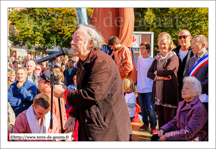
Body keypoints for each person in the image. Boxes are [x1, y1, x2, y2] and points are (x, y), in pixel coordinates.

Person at [53, 24, 132, 141]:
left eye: (77, 39)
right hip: (92, 126)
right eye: (72, 38)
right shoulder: (83, 62)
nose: (71, 42)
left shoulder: (102, 62)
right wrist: (73, 115)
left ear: (90, 43)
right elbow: (81, 92)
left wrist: (65, 94)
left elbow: (93, 94)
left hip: (107, 131)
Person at [152, 76, 208, 141]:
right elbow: (175, 121)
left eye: (187, 88)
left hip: (190, 139)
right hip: (180, 134)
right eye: (183, 88)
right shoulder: (182, 103)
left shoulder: (199, 108)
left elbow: (188, 133)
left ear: (196, 93)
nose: (183, 90)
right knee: (155, 137)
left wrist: (167, 136)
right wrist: (163, 129)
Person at [147, 32, 179, 128]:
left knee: (167, 118)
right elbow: (149, 73)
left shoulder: (173, 57)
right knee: (160, 118)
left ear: (169, 45)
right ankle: (161, 137)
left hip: (168, 92)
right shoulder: (157, 58)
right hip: (158, 93)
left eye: (164, 44)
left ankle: (168, 138)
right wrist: (159, 77)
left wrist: (156, 72)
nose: (162, 46)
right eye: (160, 44)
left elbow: (168, 71)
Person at [136, 42, 157, 134]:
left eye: (143, 48)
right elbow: (137, 72)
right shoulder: (139, 59)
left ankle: (153, 126)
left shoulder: (152, 61)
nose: (141, 50)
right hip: (140, 88)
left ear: (148, 49)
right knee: (143, 108)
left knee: (151, 108)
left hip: (149, 88)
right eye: (140, 48)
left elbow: (154, 75)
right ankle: (145, 123)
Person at [173, 29, 194, 101]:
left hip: (189, 88)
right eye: (180, 37)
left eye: (184, 37)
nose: (182, 39)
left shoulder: (194, 52)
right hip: (175, 88)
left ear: (190, 37)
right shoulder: (173, 52)